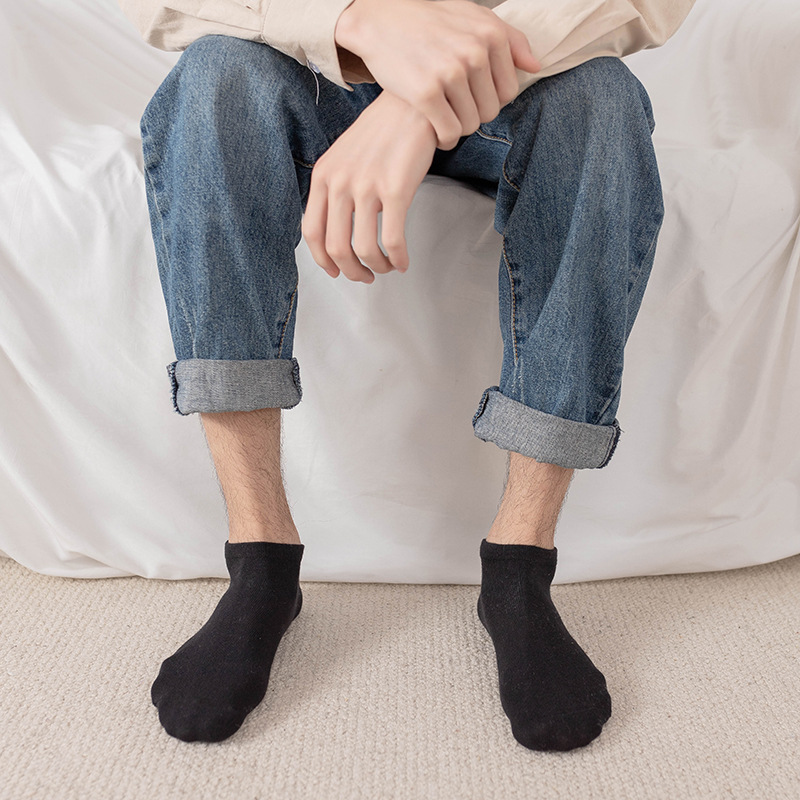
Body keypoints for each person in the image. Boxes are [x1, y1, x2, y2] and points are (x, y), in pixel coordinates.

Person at [119, 0, 695, 751]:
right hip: (314, 66)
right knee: (214, 82)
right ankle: (260, 559)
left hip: (523, 76)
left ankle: (519, 568)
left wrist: (421, 99)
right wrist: (355, 21)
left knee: (602, 101)